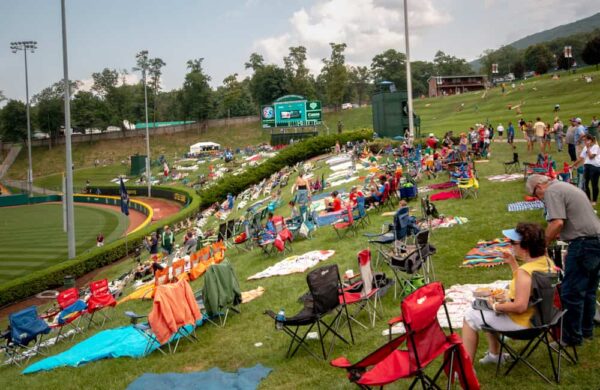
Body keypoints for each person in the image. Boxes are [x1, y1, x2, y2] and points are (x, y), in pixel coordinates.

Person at [462, 223, 556, 364]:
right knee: (485, 310)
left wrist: (495, 306)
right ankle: (494, 355)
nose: (511, 246)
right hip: (543, 317)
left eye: (513, 242)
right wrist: (513, 263)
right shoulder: (547, 262)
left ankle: (465, 369)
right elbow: (528, 286)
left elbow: (519, 307)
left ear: (525, 247)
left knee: (470, 315)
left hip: (524, 325)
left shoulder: (526, 272)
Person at [526, 174, 600, 346]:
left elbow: (557, 223)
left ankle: (572, 338)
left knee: (570, 292)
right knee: (588, 289)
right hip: (594, 240)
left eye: (537, 196)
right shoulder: (565, 186)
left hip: (583, 243)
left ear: (539, 187)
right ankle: (586, 329)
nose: (540, 199)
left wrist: (542, 244)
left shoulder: (552, 191)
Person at [570, 134, 600, 206]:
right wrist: (572, 165)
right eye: (584, 140)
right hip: (587, 166)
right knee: (585, 184)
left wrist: (588, 148)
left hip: (595, 167)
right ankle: (588, 200)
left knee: (594, 184)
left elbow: (591, 157)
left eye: (586, 140)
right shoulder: (585, 148)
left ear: (591, 140)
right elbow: (581, 158)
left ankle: (594, 200)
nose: (585, 142)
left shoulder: (596, 147)